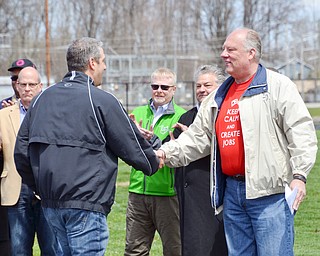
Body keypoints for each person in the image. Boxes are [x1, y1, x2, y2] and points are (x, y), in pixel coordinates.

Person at [156, 28, 318, 256]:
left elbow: (301, 133)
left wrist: (299, 176)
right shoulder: (218, 96)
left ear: (251, 53)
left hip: (270, 195)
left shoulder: (278, 86)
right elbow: (196, 138)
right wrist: (164, 153)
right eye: (223, 49)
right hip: (232, 194)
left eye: (230, 49)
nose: (223, 54)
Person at [14, 37, 160, 256]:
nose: (105, 66)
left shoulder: (42, 99)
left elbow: (21, 152)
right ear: (92, 63)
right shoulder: (100, 99)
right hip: (86, 207)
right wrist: (153, 161)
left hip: (51, 204)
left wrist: (40, 187)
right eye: (103, 60)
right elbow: (130, 144)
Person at [125, 67, 185, 256]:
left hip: (167, 195)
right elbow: (126, 150)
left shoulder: (182, 116)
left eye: (165, 87)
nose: (159, 90)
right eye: (155, 86)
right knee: (134, 251)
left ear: (174, 89)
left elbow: (181, 154)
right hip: (138, 193)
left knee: (175, 250)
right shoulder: (137, 113)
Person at [0, 67, 61, 255]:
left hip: (46, 189)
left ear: (40, 86)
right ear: (16, 86)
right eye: (23, 84)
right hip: (15, 190)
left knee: (50, 247)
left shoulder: (54, 113)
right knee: (19, 249)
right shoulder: (3, 114)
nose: (27, 88)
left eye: (31, 84)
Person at [171, 65, 227, 256]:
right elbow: (171, 146)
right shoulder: (186, 117)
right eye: (198, 86)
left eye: (207, 85)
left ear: (219, 87)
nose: (202, 90)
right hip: (187, 198)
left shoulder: (224, 115)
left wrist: (195, 140)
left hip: (210, 198)